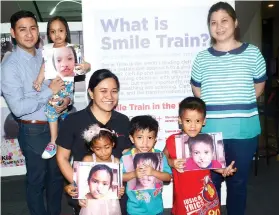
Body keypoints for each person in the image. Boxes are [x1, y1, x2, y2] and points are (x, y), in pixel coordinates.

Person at [190, 2, 267, 215]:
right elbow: (198, 91)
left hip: (244, 131)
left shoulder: (253, 54)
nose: (219, 26)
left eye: (224, 20)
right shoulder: (201, 58)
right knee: (210, 184)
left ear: (235, 22)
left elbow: (258, 87)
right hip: (211, 133)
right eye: (213, 22)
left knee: (238, 183)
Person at [1, 10, 67, 215]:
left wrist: (65, 101)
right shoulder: (9, 66)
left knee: (56, 178)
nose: (29, 34)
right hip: (33, 131)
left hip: (57, 124)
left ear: (38, 31)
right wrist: (49, 92)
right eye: (23, 29)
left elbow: (64, 85)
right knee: (37, 181)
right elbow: (19, 108)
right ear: (13, 33)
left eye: (33, 28)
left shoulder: (47, 54)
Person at [56, 69, 131, 215]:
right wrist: (79, 185)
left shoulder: (123, 121)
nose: (109, 96)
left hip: (115, 194)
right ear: (91, 93)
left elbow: (127, 154)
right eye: (103, 91)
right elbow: (62, 157)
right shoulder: (73, 120)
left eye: (114, 91)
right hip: (86, 196)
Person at [163, 97, 236, 215]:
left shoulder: (207, 140)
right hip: (184, 196)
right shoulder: (172, 140)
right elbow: (162, 156)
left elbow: (212, 164)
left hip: (205, 194)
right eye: (188, 121)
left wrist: (224, 170)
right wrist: (171, 162)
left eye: (197, 121)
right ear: (180, 120)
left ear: (204, 121)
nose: (193, 125)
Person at [33, 16, 91, 159]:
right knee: (52, 110)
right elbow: (44, 66)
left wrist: (84, 67)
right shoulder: (47, 50)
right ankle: (54, 142)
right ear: (48, 34)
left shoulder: (72, 48)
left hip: (68, 87)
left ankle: (60, 142)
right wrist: (39, 80)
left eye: (60, 30)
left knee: (63, 110)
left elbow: (86, 65)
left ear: (66, 32)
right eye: (53, 31)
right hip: (55, 87)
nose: (57, 34)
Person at [121, 115, 172, 215]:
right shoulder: (126, 157)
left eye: (149, 137)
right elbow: (120, 177)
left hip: (156, 209)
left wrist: (154, 172)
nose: (145, 142)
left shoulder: (160, 156)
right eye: (140, 137)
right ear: (132, 138)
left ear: (155, 139)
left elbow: (168, 177)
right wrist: (134, 174)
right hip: (134, 210)